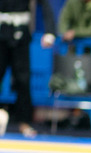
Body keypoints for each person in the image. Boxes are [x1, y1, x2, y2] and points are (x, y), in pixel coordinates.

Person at [0, 0, 56, 138]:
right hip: (1, 32)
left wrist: (50, 31)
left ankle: (24, 122)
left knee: (23, 79)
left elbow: (45, 5)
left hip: (21, 34)